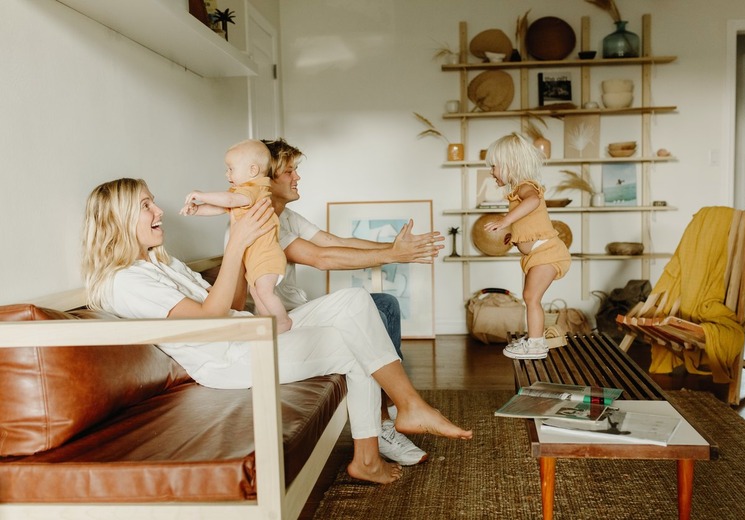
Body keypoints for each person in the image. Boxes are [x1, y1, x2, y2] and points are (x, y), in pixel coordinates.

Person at [81, 178, 473, 485]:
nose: (159, 210)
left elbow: (230, 306)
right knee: (353, 342)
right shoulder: (124, 281)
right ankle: (372, 454)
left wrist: (242, 243)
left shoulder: (161, 264)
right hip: (230, 359)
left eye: (154, 201)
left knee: (357, 304)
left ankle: (407, 408)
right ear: (116, 221)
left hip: (247, 331)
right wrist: (237, 244)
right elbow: (209, 319)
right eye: (145, 205)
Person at [262, 138, 445, 466]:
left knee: (384, 304)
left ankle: (388, 416)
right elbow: (320, 257)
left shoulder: (286, 216)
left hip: (297, 311)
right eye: (289, 171)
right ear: (267, 178)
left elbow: (335, 241)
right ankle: (388, 421)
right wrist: (392, 254)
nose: (297, 177)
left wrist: (394, 247)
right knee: (371, 305)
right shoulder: (262, 222)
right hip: (281, 322)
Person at [180, 139, 292, 333]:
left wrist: (202, 195)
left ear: (252, 170)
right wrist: (197, 210)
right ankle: (269, 322)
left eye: (231, 169)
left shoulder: (254, 189)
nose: (227, 174)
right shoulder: (242, 192)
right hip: (256, 258)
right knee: (258, 294)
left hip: (266, 255)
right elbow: (222, 205)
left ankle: (283, 322)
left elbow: (229, 200)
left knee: (264, 292)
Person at [482, 133, 571, 360]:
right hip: (538, 253)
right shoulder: (516, 191)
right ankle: (534, 339)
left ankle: (536, 345)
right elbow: (528, 221)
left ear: (510, 165)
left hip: (547, 252)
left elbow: (533, 202)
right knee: (530, 297)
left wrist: (505, 220)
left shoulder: (526, 187)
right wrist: (513, 235)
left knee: (531, 297)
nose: (491, 172)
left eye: (494, 166)